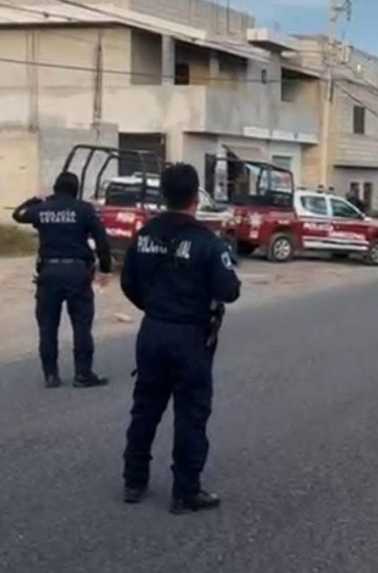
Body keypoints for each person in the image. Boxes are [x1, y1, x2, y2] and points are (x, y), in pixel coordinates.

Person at [120, 163, 241, 515]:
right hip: (190, 336)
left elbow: (129, 283)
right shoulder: (207, 242)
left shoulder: (144, 235)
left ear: (164, 194)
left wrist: (156, 307)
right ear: (194, 196)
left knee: (145, 408)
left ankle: (133, 481)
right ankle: (185, 491)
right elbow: (229, 290)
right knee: (190, 414)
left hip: (153, 330)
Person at [12, 171, 112, 389]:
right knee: (81, 325)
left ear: (55, 189)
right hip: (77, 273)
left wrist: (33, 201)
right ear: (75, 189)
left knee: (48, 326)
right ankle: (83, 374)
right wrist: (105, 268)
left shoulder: (43, 209)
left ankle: (51, 375)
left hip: (48, 273)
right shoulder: (83, 209)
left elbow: (18, 215)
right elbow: (102, 240)